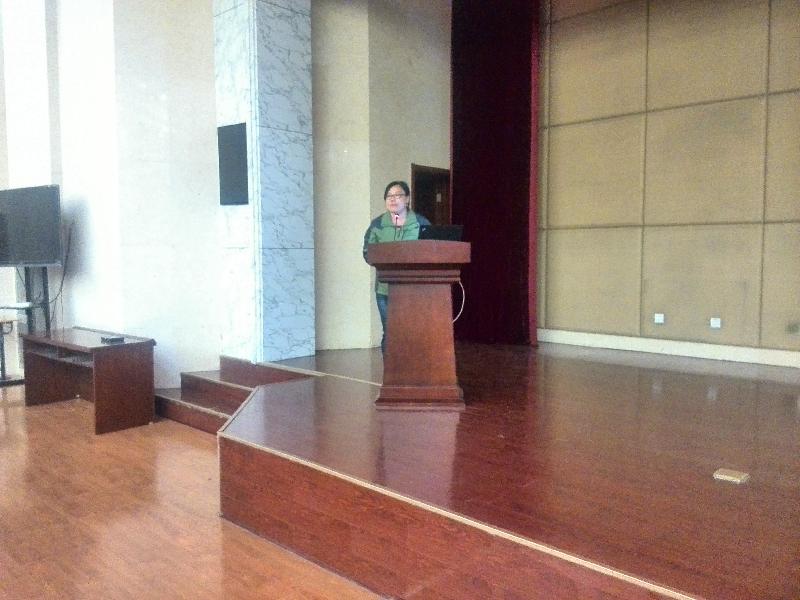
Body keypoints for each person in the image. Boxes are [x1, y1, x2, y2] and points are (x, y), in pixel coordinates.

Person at [362, 180, 431, 353]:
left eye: (398, 195)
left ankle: (411, 369)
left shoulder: (421, 223)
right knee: (390, 333)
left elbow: (431, 251)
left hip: (413, 290)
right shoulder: (377, 224)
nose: (393, 199)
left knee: (411, 333)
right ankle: (390, 370)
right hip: (385, 290)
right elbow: (367, 253)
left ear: (407, 199)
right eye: (389, 196)